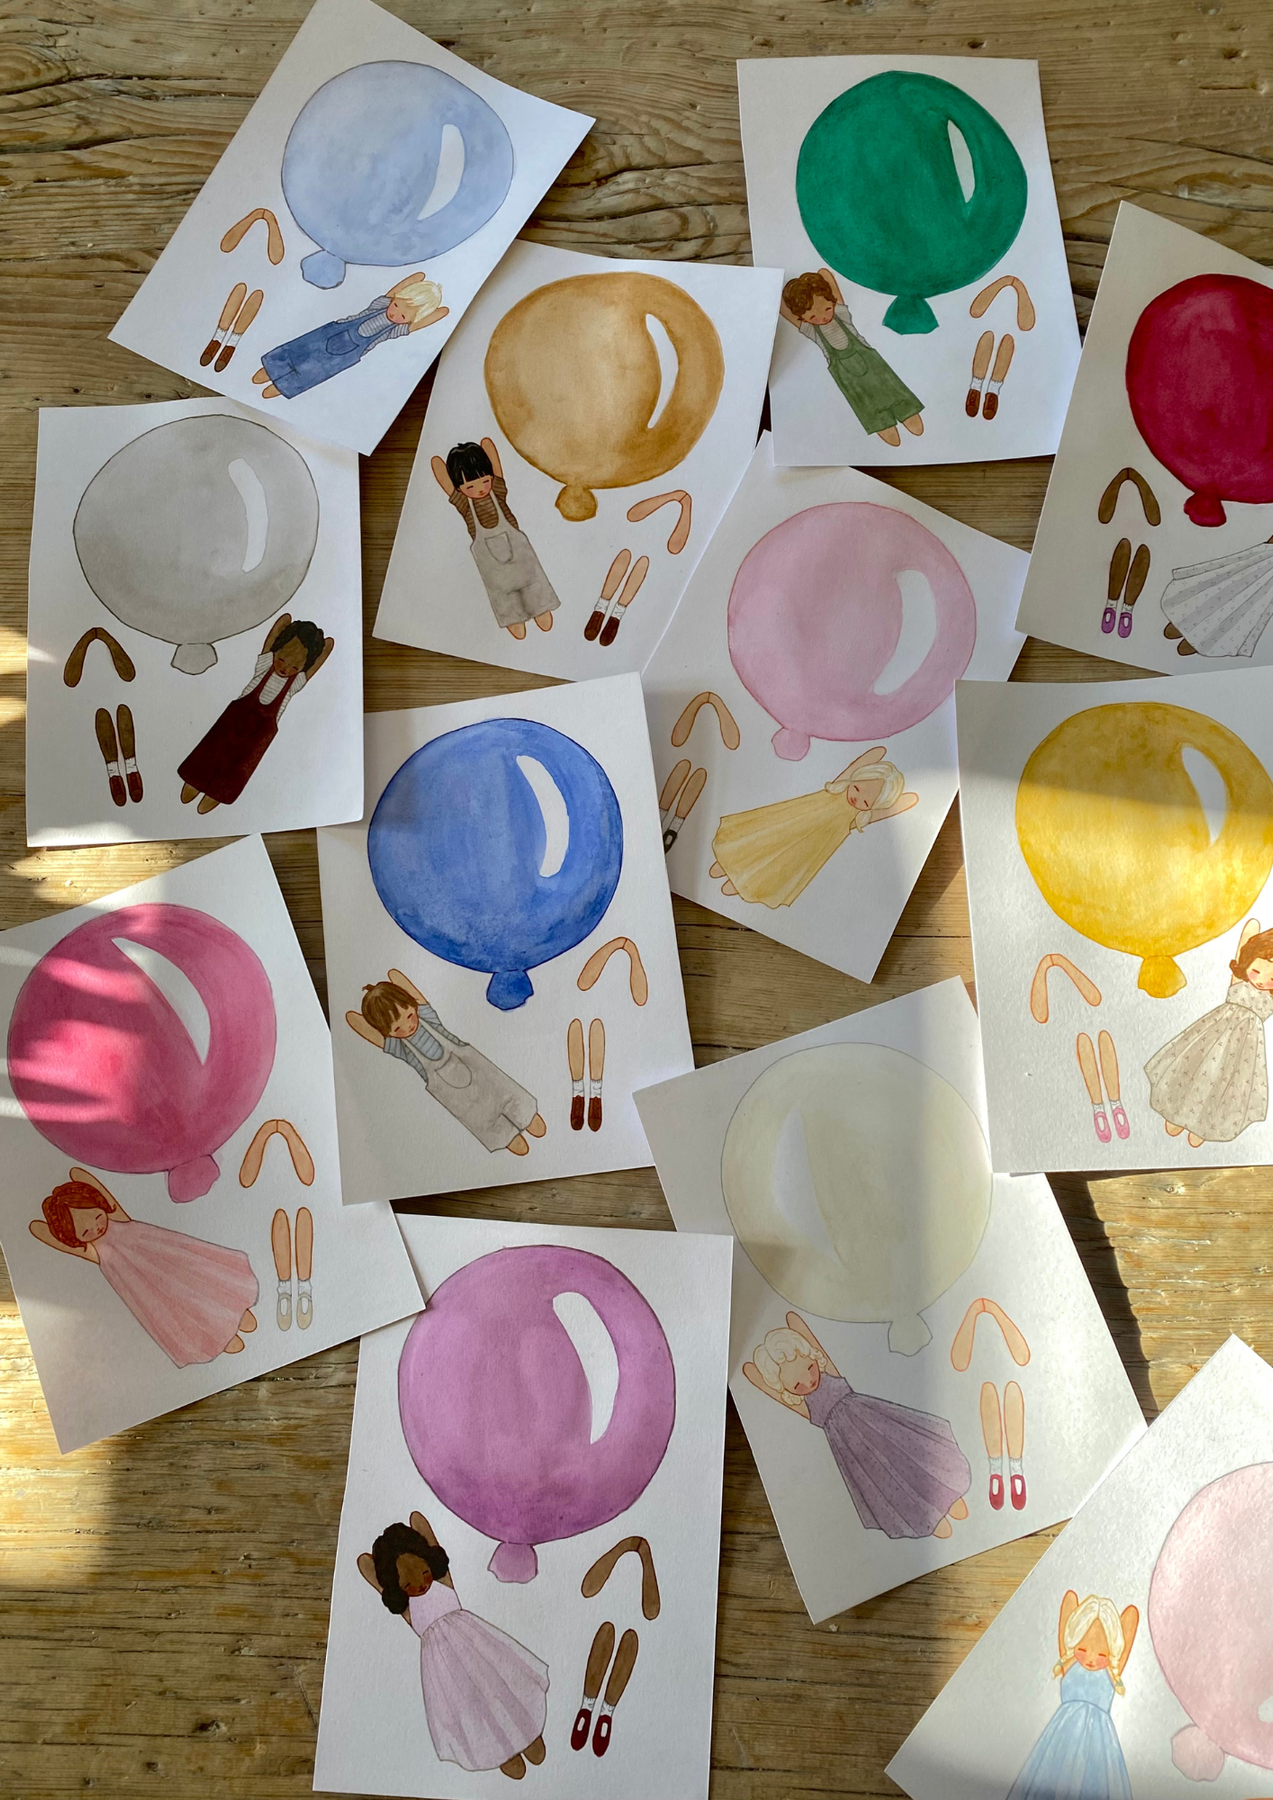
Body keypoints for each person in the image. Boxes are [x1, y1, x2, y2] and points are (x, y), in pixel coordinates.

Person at [743, 1313, 971, 1541]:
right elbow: (762, 1382)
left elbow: (801, 1329)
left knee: (907, 1452)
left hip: (873, 1419)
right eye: (797, 1384)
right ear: (789, 1390)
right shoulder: (804, 1406)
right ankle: (925, 1518)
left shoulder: (828, 1371)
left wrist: (790, 1341)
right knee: (885, 1479)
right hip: (851, 1449)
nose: (808, 1380)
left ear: (813, 1358)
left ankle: (946, 1494)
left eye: (809, 1368)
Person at [358, 1512, 549, 1780]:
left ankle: (525, 1730)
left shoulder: (443, 1580)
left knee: (497, 1684)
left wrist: (410, 1544)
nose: (420, 1584)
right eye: (408, 1584)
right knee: (469, 1706)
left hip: (475, 1644)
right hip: (443, 1668)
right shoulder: (407, 1608)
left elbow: (421, 1524)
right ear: (398, 1588)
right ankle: (499, 1750)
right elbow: (365, 1564)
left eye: (424, 1573)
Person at [29, 1169, 258, 1365]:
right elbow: (39, 1229)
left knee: (197, 1278)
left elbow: (81, 1176)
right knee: (178, 1307)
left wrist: (71, 1194)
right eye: (85, 1231)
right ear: (74, 1237)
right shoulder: (93, 1250)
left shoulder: (118, 1217)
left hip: (167, 1256)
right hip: (144, 1287)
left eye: (96, 1216)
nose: (95, 1227)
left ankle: (236, 1309)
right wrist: (55, 1211)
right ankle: (216, 1338)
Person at [346, 969, 546, 1156]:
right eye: (398, 1029)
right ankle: (504, 1134)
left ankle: (523, 1113)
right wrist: (374, 1004)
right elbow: (353, 1020)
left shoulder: (428, 1016)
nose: (408, 1026)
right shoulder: (400, 1048)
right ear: (388, 1033)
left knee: (522, 1110)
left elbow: (395, 975)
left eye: (409, 1015)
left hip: (483, 1075)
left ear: (413, 1005)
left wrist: (382, 992)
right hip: (462, 1101)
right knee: (501, 1134)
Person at [709, 747, 918, 909]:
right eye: (857, 788)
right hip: (792, 819)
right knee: (764, 836)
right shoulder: (838, 786)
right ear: (854, 779)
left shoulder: (858, 818)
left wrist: (894, 793)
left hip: (810, 848)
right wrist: (883, 771)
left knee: (780, 863)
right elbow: (872, 755)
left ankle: (746, 885)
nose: (857, 798)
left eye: (865, 802)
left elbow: (899, 804)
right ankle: (727, 860)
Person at [178, 614, 333, 813]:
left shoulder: (295, 684)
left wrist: (314, 644)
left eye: (295, 666)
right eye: (282, 659)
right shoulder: (264, 665)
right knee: (207, 758)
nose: (285, 668)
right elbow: (282, 622)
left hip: (251, 747)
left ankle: (214, 796)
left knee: (232, 775)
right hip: (227, 730)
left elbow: (327, 648)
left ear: (303, 668)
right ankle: (194, 782)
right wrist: (292, 633)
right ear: (276, 651)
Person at [1144, 918, 1273, 1147]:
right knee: (1196, 1069)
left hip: (1244, 1049)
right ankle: (1178, 1111)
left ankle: (1206, 1124)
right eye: (1257, 970)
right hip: (1215, 1033)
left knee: (1226, 1082)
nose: (1263, 980)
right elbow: (1248, 934)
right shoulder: (1239, 980)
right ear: (1248, 963)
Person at [1008, 1591, 1137, 1800]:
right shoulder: (1068, 1663)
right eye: (1083, 1649)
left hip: (1099, 1739)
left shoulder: (1113, 1672)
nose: (1091, 1659)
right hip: (1064, 1732)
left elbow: (1130, 1617)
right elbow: (1069, 1601)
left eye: (1101, 1654)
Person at [431, 437, 559, 639]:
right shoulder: (463, 504)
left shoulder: (498, 491)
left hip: (522, 561)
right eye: (470, 487)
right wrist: (459, 462)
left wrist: (477, 457)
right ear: (459, 488)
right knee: (504, 598)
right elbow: (437, 465)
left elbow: (488, 445)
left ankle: (540, 608)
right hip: (496, 572)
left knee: (534, 585)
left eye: (485, 481)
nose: (481, 488)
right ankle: (513, 618)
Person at [779, 269, 924, 446]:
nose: (823, 317)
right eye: (813, 316)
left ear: (832, 302)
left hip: (877, 371)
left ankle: (906, 411)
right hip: (852, 384)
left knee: (898, 397)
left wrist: (812, 284)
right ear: (802, 318)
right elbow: (782, 307)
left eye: (827, 308)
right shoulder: (811, 330)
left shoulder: (841, 314)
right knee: (870, 409)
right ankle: (882, 423)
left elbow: (825, 274)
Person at [252, 273, 448, 399]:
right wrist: (419, 287)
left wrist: (432, 299)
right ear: (396, 298)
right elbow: (414, 278)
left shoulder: (395, 330)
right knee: (292, 353)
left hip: (342, 358)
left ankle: (273, 391)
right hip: (326, 335)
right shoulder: (381, 304)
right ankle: (264, 375)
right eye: (396, 305)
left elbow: (440, 313)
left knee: (304, 377)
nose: (395, 313)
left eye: (403, 316)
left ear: (410, 321)